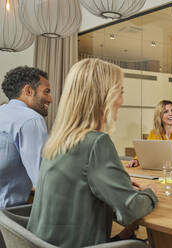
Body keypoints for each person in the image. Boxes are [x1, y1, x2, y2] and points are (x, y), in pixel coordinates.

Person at [27, 58, 158, 247]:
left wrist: (117, 184)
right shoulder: (96, 142)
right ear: (103, 96)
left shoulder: (59, 140)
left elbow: (78, 185)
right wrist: (150, 192)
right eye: (119, 92)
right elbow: (131, 209)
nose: (121, 101)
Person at [0, 66, 52, 208]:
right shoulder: (31, 119)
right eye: (46, 92)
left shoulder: (3, 112)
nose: (50, 99)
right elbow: (44, 181)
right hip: (6, 217)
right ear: (28, 90)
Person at [127, 100, 172, 167]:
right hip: (158, 172)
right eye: (166, 112)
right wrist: (136, 160)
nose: (171, 114)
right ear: (159, 115)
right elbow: (146, 153)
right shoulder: (153, 133)